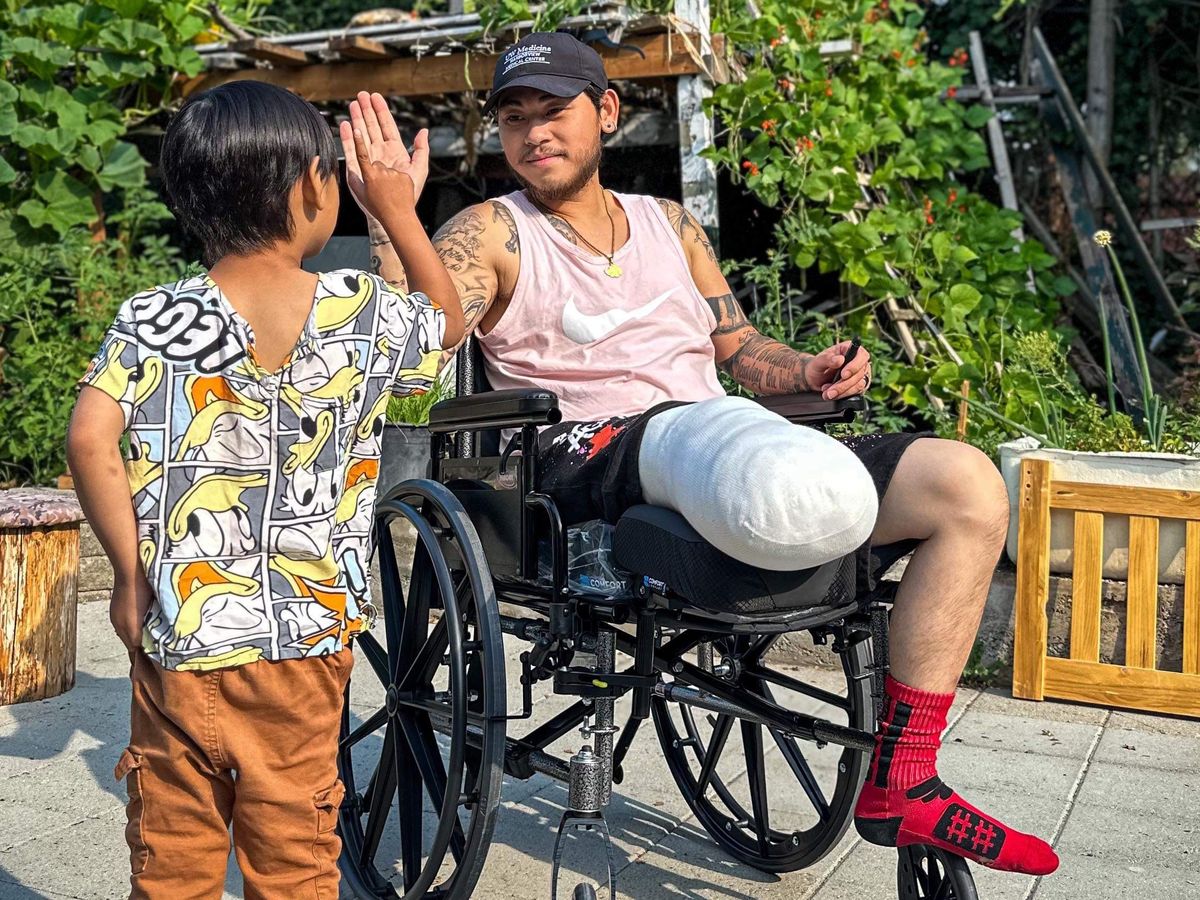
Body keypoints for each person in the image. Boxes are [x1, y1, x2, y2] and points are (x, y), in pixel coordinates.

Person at [354, 33, 1058, 877]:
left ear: (606, 111)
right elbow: (413, 345)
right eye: (514, 118)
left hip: (715, 437)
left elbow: (740, 347)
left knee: (965, 486)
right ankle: (754, 483)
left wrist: (808, 371)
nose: (534, 133)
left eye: (554, 111)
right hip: (585, 460)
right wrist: (389, 217)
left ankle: (906, 777)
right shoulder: (493, 232)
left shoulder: (670, 223)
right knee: (704, 444)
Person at [66, 80, 461, 898]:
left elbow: (89, 438)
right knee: (293, 860)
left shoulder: (155, 316)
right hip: (301, 650)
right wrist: (396, 209)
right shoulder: (358, 310)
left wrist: (131, 578)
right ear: (313, 185)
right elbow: (446, 322)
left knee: (172, 856)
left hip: (179, 637)